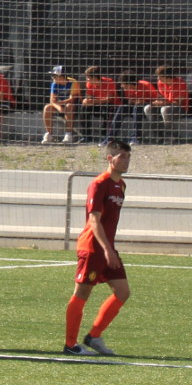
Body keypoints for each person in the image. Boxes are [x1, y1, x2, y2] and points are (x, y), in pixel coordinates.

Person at [63, 139, 133, 356]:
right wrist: (106, 249)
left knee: (123, 292)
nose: (126, 161)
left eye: (128, 157)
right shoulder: (99, 184)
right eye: (122, 156)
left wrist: (109, 249)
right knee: (82, 293)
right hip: (93, 247)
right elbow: (94, 220)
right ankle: (70, 345)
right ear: (109, 158)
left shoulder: (121, 186)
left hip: (107, 247)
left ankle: (94, 336)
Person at [145, 65, 189, 143]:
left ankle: (171, 135)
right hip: (165, 105)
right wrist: (158, 102)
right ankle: (158, 135)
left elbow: (178, 103)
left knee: (165, 110)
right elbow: (162, 97)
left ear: (167, 76)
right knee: (148, 108)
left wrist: (163, 103)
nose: (158, 78)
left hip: (180, 108)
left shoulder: (180, 83)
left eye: (160, 76)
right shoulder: (160, 83)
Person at [78, 66, 121, 144]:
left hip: (111, 105)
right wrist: (86, 101)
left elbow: (110, 99)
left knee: (107, 107)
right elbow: (89, 96)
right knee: (84, 107)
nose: (87, 79)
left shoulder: (109, 82)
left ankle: (105, 135)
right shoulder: (89, 84)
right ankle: (86, 135)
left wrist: (94, 101)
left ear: (94, 77)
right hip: (97, 105)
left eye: (88, 77)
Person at [117, 70, 159, 145]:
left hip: (147, 108)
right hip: (135, 107)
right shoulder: (127, 90)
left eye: (123, 83)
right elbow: (130, 100)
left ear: (129, 83)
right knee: (122, 107)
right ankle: (110, 137)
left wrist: (144, 101)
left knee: (137, 107)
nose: (121, 86)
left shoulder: (146, 85)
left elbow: (157, 100)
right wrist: (133, 101)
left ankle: (136, 138)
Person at [41, 65, 81, 144]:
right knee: (47, 107)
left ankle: (68, 134)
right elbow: (52, 100)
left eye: (54, 76)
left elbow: (72, 99)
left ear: (61, 76)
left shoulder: (73, 83)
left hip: (73, 105)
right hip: (60, 105)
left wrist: (59, 103)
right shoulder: (54, 84)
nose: (52, 78)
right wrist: (59, 107)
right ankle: (49, 134)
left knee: (69, 106)